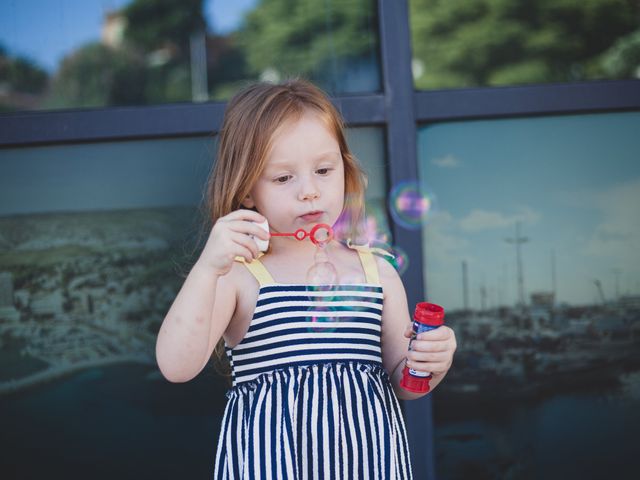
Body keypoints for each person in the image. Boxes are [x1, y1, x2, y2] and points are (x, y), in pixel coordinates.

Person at [155, 78, 457, 479]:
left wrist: (430, 361)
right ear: (247, 191)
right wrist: (208, 268)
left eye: (323, 170)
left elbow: (404, 381)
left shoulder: (376, 272)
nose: (310, 192)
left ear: (345, 172)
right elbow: (176, 366)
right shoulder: (241, 276)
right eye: (283, 178)